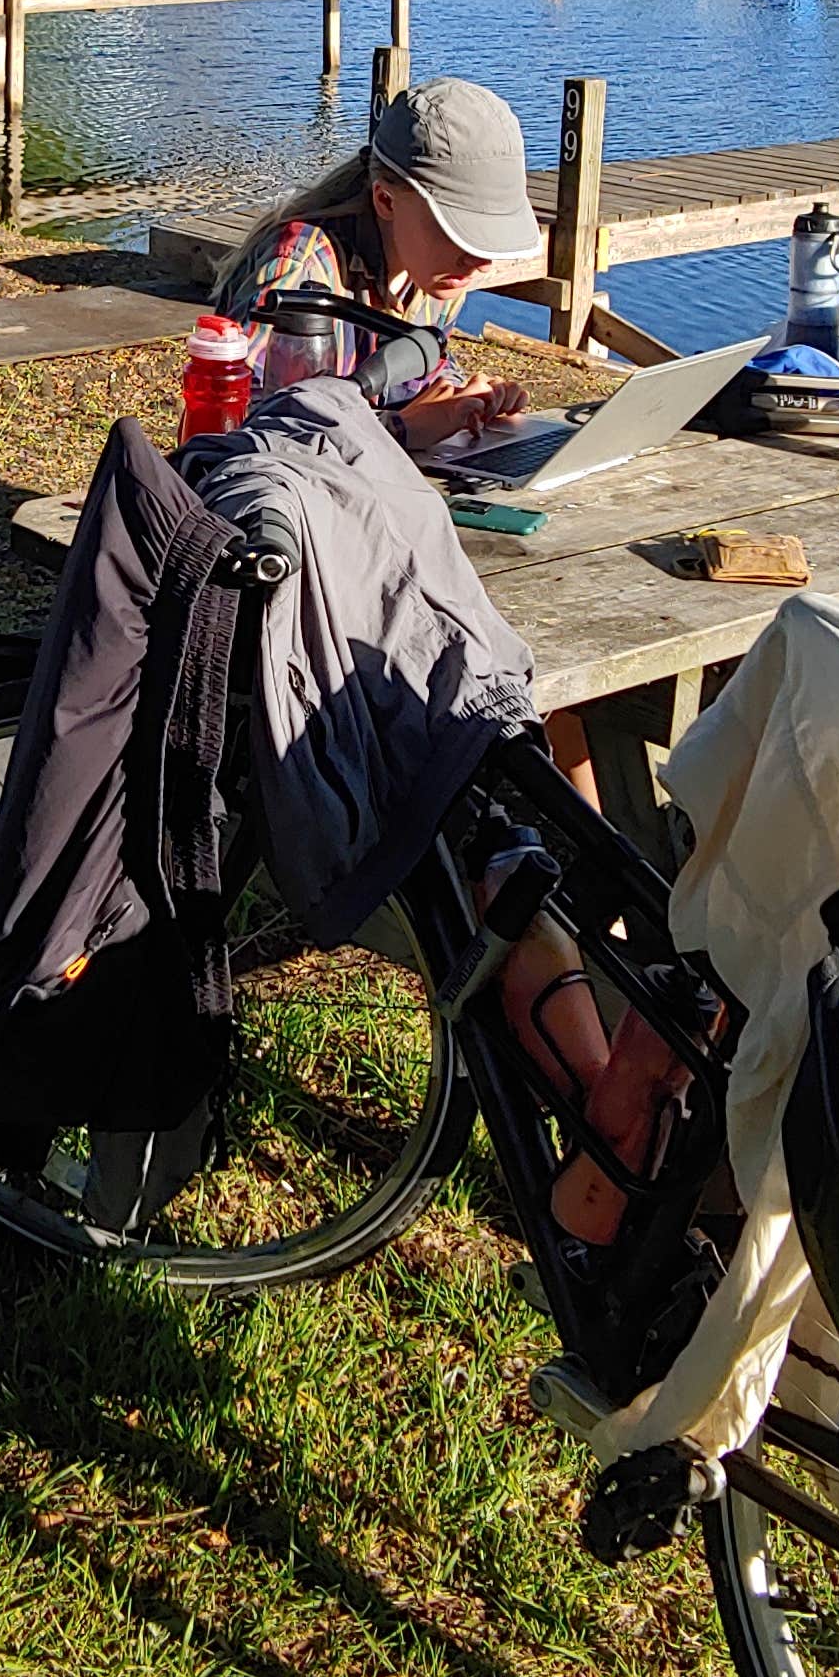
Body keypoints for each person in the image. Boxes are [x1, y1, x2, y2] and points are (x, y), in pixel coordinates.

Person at [215, 83, 671, 1233]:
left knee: (539, 730)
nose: (473, 267)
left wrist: (455, 410)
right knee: (480, 769)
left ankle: (597, 1017)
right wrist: (413, 426)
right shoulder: (297, 269)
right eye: (462, 241)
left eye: (490, 247)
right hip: (303, 562)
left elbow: (381, 419)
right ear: (384, 197)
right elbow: (285, 446)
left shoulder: (412, 276)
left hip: (392, 530)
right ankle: (609, 1112)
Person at [207, 77, 538, 456]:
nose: (481, 260)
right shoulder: (300, 268)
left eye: (488, 236)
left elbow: (422, 379)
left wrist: (466, 401)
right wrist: (399, 430)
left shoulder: (439, 273)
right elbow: (238, 433)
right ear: (386, 200)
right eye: (459, 231)